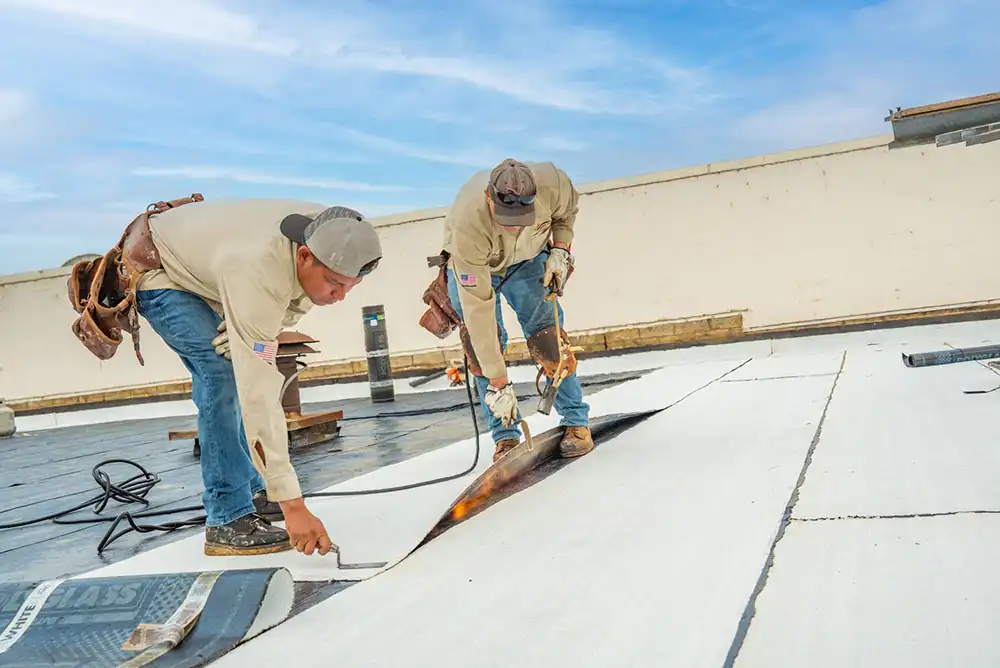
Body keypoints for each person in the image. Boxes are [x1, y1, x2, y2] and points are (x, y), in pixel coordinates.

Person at [135, 199, 382, 557]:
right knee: (222, 373)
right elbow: (259, 394)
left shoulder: (332, 231)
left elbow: (287, 303)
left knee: (239, 364)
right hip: (157, 267)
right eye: (333, 284)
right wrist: (293, 507)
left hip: (211, 266)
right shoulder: (259, 267)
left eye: (349, 287)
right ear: (304, 258)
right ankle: (227, 518)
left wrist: (251, 331)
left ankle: (253, 491)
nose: (340, 296)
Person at [441, 159, 593, 462]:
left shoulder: (553, 183)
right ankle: (506, 437)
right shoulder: (468, 223)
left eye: (522, 216)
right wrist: (499, 383)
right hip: (477, 264)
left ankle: (576, 421)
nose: (514, 226)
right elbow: (478, 314)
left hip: (528, 259)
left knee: (548, 338)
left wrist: (561, 250)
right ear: (489, 198)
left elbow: (566, 214)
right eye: (507, 217)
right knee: (482, 347)